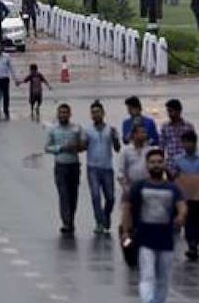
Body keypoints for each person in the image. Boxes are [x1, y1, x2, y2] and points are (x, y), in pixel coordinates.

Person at [121, 147, 185, 303]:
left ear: (164, 164)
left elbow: (182, 206)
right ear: (147, 165)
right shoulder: (139, 187)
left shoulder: (172, 187)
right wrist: (126, 232)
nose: (156, 165)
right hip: (145, 239)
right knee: (147, 274)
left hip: (166, 239)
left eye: (159, 162)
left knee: (163, 277)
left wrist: (181, 216)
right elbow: (127, 209)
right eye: (153, 162)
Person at [44, 103, 86, 235]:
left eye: (65, 113)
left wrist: (77, 146)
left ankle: (71, 218)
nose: (63, 115)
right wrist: (61, 148)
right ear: (57, 115)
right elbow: (47, 147)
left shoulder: (76, 128)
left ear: (69, 114)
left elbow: (83, 145)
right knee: (64, 195)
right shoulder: (53, 130)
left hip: (73, 165)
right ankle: (66, 222)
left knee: (73, 195)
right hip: (61, 166)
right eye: (61, 113)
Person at [83, 100, 121, 235]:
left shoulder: (110, 129)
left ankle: (106, 215)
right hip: (92, 167)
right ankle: (99, 222)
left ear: (103, 113)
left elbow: (117, 149)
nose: (95, 115)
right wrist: (81, 143)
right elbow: (83, 147)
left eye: (98, 112)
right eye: (93, 112)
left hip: (107, 168)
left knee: (110, 197)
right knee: (95, 196)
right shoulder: (87, 130)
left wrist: (115, 138)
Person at [174, 129, 199, 261]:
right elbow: (173, 175)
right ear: (182, 144)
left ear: (195, 143)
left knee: (198, 221)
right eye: (185, 142)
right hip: (184, 196)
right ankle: (191, 245)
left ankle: (196, 243)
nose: (188, 145)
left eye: (191, 142)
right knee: (188, 221)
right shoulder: (177, 160)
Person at [158, 98, 194, 176]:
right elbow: (161, 147)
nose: (170, 114)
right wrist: (162, 165)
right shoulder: (165, 127)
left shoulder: (188, 127)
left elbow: (193, 146)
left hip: (186, 165)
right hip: (171, 166)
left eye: (171, 111)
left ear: (179, 111)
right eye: (168, 111)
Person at [117, 121, 151, 194]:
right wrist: (126, 188)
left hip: (147, 188)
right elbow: (120, 172)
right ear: (134, 134)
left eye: (145, 132)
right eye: (142, 132)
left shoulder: (150, 150)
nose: (144, 135)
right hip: (130, 188)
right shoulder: (125, 150)